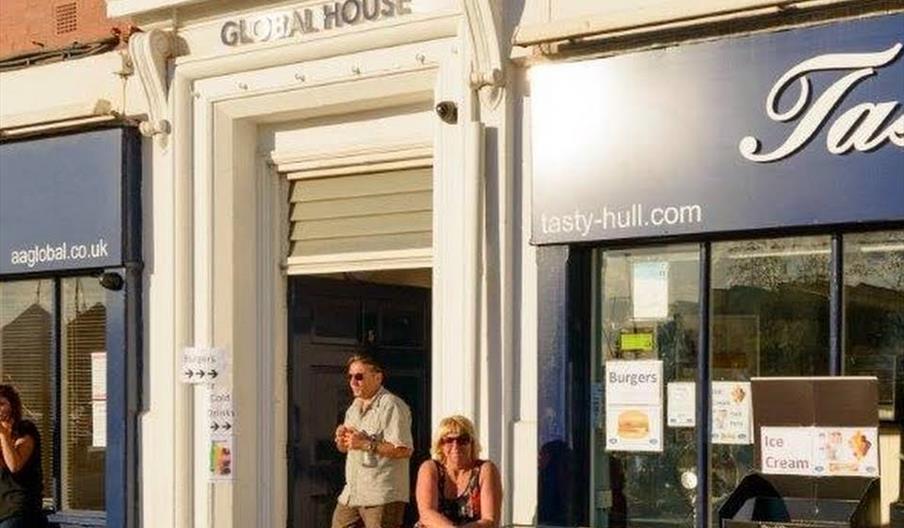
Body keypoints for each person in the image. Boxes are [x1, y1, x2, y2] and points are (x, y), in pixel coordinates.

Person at [332, 354, 413, 528]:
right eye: (350, 377)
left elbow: (404, 450)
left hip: (382, 495)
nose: (353, 382)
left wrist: (364, 444)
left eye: (359, 376)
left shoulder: (392, 405)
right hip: (352, 493)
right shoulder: (354, 407)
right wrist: (342, 440)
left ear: (378, 377)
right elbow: (346, 448)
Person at [415, 415, 502, 528]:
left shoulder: (485, 470)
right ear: (440, 445)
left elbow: (490, 520)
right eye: (449, 440)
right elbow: (426, 513)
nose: (455, 446)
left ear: (472, 443)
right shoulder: (430, 468)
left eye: (463, 440)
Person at [0, 384, 46, 528]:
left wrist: (4, 434)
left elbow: (14, 465)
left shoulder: (25, 430)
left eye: (1, 404)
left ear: (12, 406)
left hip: (18, 507)